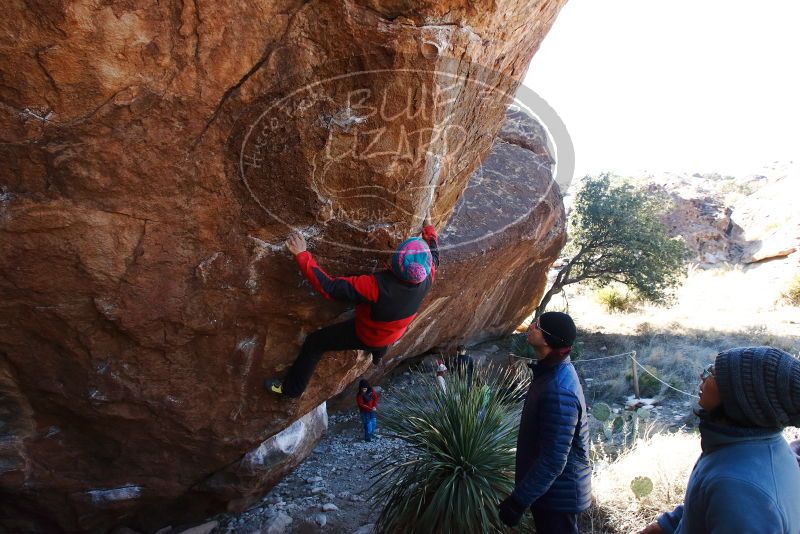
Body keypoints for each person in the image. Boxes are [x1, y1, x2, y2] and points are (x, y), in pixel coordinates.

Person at [265, 218, 439, 398]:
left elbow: (329, 287)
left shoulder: (374, 287)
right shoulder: (428, 276)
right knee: (382, 339)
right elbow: (434, 251)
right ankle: (378, 355)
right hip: (394, 332)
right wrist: (428, 229)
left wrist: (302, 255)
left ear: (395, 263)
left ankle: (291, 389)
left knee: (315, 343)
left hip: (367, 334)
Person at [639, 346, 800, 534]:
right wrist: (668, 525)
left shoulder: (738, 486)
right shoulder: (749, 445)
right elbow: (708, 500)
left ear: (739, 397)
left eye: (713, 373)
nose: (703, 375)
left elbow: (732, 499)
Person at [497, 312, 590, 534]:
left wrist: (518, 501)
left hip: (559, 497)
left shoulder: (558, 389)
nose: (531, 326)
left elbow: (553, 459)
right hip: (550, 492)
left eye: (537, 326)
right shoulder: (551, 372)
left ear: (547, 340)